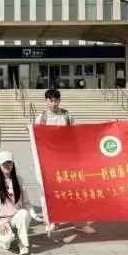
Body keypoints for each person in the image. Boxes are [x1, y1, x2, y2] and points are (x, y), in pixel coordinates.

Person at [35, 88, 95, 234]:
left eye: (56, 101)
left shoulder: (67, 115)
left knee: (73, 191)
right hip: (50, 161)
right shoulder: (41, 118)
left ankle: (80, 222)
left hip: (67, 160)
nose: (54, 103)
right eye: (51, 101)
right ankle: (53, 221)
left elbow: (78, 130)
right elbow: (35, 135)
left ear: (59, 101)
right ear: (46, 101)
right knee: (52, 192)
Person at [0, 151, 43, 255]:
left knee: (24, 213)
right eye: (4, 163)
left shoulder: (19, 180)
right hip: (1, 221)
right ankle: (5, 240)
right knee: (7, 243)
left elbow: (26, 202)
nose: (7, 166)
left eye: (9, 163)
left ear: (13, 164)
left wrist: (35, 216)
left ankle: (23, 244)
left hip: (15, 218)